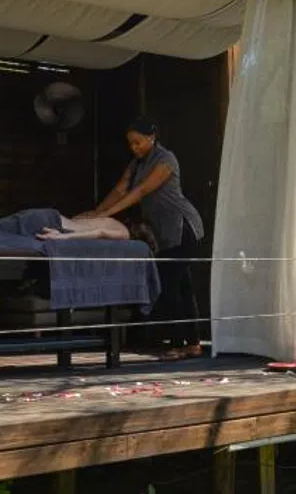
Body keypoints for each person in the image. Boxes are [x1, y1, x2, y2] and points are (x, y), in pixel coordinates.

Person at [79, 116, 205, 360]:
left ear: (151, 137)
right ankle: (193, 343)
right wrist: (96, 213)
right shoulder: (136, 164)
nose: (133, 148)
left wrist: (106, 214)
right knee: (182, 287)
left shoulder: (166, 159)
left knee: (169, 285)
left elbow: (142, 190)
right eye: (130, 144)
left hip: (184, 228)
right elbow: (120, 189)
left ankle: (180, 344)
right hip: (164, 234)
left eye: (137, 142)